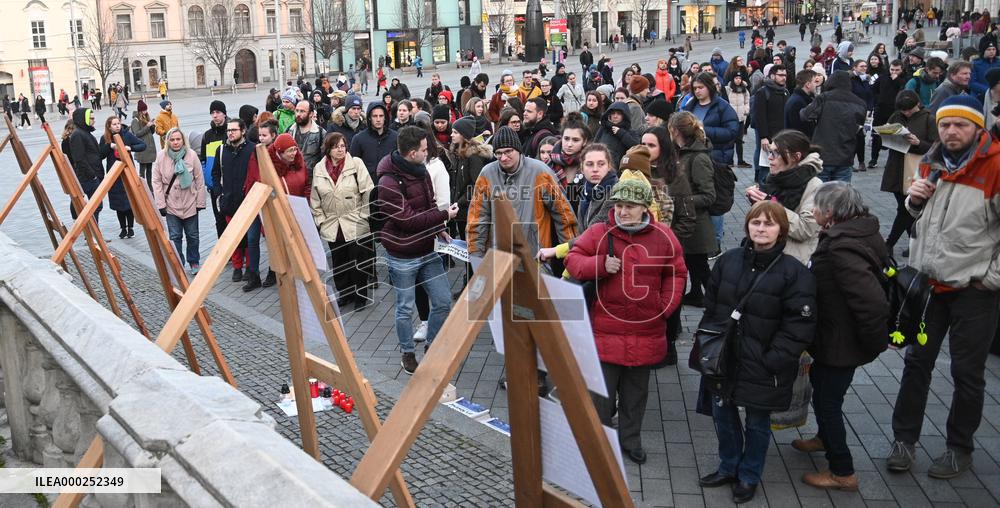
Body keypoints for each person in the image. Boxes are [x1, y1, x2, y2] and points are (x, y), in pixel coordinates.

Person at [888, 95, 1000, 479]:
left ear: (977, 128)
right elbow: (922, 217)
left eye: (961, 125)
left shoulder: (995, 166)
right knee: (916, 365)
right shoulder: (930, 161)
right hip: (928, 286)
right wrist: (914, 203)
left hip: (974, 291)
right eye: (945, 125)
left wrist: (991, 278)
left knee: (967, 374)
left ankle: (959, 448)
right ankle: (904, 440)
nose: (951, 131)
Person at [697, 200, 816, 504]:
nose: (761, 228)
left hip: (763, 363)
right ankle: (729, 466)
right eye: (756, 222)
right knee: (723, 414)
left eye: (769, 223)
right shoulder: (729, 260)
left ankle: (749, 475)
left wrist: (773, 359)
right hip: (726, 357)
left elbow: (799, 326)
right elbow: (711, 305)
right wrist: (710, 343)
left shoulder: (795, 272)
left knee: (757, 423)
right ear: (747, 225)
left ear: (781, 230)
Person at [564, 178, 687, 465]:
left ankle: (630, 441)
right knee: (601, 397)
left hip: (646, 331)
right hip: (606, 331)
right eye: (619, 205)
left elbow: (676, 273)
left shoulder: (664, 237)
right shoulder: (600, 232)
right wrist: (599, 266)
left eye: (629, 206)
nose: (622, 211)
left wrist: (665, 307)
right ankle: (600, 442)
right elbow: (573, 259)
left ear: (645, 207)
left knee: (636, 396)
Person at [792, 182, 889, 491]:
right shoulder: (859, 231)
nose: (812, 211)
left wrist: (874, 343)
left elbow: (870, 300)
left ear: (830, 212)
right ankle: (824, 437)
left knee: (828, 400)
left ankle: (842, 472)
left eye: (816, 207)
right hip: (834, 336)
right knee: (823, 389)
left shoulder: (841, 246)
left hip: (840, 342)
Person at [377, 126, 458, 373]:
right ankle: (407, 352)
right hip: (402, 255)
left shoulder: (421, 170)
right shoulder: (387, 182)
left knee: (443, 301)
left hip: (426, 248)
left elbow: (428, 204)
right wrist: (444, 215)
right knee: (404, 307)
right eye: (424, 149)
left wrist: (438, 229)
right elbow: (408, 219)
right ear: (412, 153)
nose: (428, 152)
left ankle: (431, 345)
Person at [310, 132, 374, 307]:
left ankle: (361, 296)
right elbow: (315, 198)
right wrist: (321, 220)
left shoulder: (356, 164)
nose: (340, 150)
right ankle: (345, 294)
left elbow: (368, 191)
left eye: (343, 146)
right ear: (328, 149)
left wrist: (363, 216)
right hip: (332, 224)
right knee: (339, 262)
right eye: (336, 146)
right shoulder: (319, 168)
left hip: (355, 221)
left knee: (358, 262)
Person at [747, 130, 823, 264]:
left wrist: (771, 204)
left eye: (776, 153)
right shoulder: (775, 177)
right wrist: (758, 202)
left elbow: (805, 229)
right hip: (767, 254)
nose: (770, 157)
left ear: (796, 157)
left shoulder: (815, 186)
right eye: (770, 152)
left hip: (793, 260)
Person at [880, 90, 937, 257]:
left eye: (909, 110)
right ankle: (915, 243)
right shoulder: (896, 116)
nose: (905, 113)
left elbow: (935, 147)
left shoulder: (929, 119)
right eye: (903, 110)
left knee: (905, 209)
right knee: (904, 208)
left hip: (915, 169)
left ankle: (889, 244)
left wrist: (918, 142)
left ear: (917, 105)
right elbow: (884, 138)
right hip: (896, 167)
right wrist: (885, 136)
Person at [668, 112, 716, 307]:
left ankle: (720, 303)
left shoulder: (698, 158)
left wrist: (679, 200)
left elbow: (708, 195)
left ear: (675, 131)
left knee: (701, 267)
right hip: (687, 220)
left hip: (697, 224)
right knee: (691, 264)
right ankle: (696, 293)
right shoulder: (682, 151)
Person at [153, 128, 206, 273]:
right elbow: (156, 181)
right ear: (167, 141)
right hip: (171, 203)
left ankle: (194, 261)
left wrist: (200, 202)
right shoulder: (161, 157)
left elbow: (200, 180)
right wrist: (160, 204)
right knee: (175, 236)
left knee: (192, 235)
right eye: (172, 139)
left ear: (183, 140)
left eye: (178, 139)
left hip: (190, 201)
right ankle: (178, 263)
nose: (176, 142)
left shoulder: (192, 155)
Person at [801, 71, 867, 182]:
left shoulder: (824, 98)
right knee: (840, 195)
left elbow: (805, 115)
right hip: (845, 155)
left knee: (819, 193)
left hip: (823, 154)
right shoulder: (860, 103)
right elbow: (859, 127)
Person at [212, 118, 256, 282]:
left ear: (243, 131)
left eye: (233, 130)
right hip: (229, 202)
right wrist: (219, 193)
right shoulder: (222, 150)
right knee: (233, 238)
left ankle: (251, 268)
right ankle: (237, 267)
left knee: (249, 238)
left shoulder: (253, 149)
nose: (230, 133)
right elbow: (215, 173)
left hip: (248, 201)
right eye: (228, 130)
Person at [241, 119, 280, 289]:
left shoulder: (277, 153)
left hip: (270, 202)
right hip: (254, 200)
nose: (261, 139)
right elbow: (251, 176)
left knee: (272, 239)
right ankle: (254, 274)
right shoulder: (256, 152)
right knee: (252, 239)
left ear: (273, 135)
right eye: (260, 136)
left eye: (264, 136)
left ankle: (274, 270)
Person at [99, 116, 146, 239]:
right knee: (118, 203)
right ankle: (123, 228)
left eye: (118, 123)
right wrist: (110, 146)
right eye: (114, 124)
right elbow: (100, 154)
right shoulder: (105, 138)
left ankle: (130, 227)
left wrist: (130, 148)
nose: (117, 126)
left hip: (127, 172)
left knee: (129, 201)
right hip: (114, 174)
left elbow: (142, 145)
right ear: (109, 126)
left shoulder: (127, 135)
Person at [682, 72, 741, 165]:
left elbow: (731, 132)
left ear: (709, 87)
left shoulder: (722, 106)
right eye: (695, 88)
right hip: (692, 157)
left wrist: (703, 130)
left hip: (715, 158)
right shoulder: (690, 106)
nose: (697, 91)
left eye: (700, 87)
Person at [752, 65, 790, 183]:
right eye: (781, 75)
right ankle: (762, 191)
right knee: (766, 166)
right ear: (772, 76)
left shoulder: (785, 92)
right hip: (768, 136)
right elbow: (760, 116)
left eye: (785, 75)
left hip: (782, 135)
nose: (784, 78)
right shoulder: (763, 92)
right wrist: (763, 136)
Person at [68, 108, 104, 223]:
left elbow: (95, 153)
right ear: (83, 119)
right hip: (87, 177)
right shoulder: (78, 134)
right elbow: (79, 158)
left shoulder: (85, 132)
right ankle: (92, 235)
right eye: (91, 118)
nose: (93, 121)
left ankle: (93, 234)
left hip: (92, 175)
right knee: (95, 206)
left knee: (96, 206)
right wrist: (92, 175)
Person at [350, 102, 399, 179]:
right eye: (375, 116)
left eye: (381, 116)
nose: (378, 119)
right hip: (367, 185)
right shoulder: (358, 139)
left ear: (385, 117)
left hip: (390, 184)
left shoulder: (395, 137)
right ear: (369, 117)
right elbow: (353, 166)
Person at [849, 59, 876, 173]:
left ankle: (861, 162)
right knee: (854, 137)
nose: (864, 68)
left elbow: (870, 95)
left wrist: (870, 108)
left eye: (865, 66)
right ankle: (851, 162)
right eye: (861, 66)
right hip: (853, 112)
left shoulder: (866, 80)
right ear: (854, 67)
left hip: (865, 112)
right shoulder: (850, 79)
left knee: (861, 137)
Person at [288, 100, 325, 174]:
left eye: (302, 111)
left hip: (312, 178)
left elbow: (325, 159)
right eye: (297, 111)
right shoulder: (289, 131)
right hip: (293, 176)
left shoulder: (321, 133)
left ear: (311, 114)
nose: (298, 114)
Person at [785, 69, 821, 138]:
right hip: (799, 144)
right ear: (808, 84)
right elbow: (798, 129)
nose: (817, 85)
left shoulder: (800, 99)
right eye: (815, 82)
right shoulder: (798, 102)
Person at [130, 100, 157, 191]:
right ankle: (142, 188)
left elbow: (151, 133)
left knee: (149, 170)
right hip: (142, 149)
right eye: (144, 110)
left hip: (149, 148)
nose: (145, 112)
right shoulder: (135, 120)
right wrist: (147, 126)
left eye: (146, 110)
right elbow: (137, 134)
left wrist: (152, 126)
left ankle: (150, 187)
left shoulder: (146, 118)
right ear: (140, 111)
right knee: (142, 171)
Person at [726, 72, 751, 167]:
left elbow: (747, 101)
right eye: (736, 78)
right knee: (730, 140)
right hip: (730, 119)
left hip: (741, 118)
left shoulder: (744, 90)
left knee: (739, 141)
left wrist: (746, 111)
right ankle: (729, 160)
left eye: (739, 78)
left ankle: (740, 160)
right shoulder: (728, 89)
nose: (738, 80)